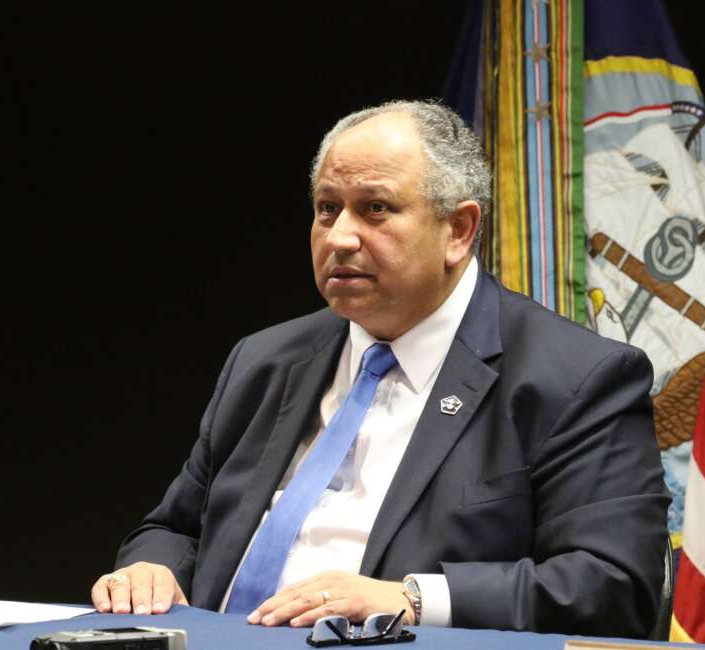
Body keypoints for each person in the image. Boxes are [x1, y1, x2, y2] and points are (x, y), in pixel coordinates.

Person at [89, 100, 669, 636]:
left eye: (376, 209)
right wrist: (150, 570)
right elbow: (173, 529)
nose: (340, 237)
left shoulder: (573, 378)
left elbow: (613, 584)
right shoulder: (265, 360)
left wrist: (409, 599)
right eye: (326, 209)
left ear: (459, 231)